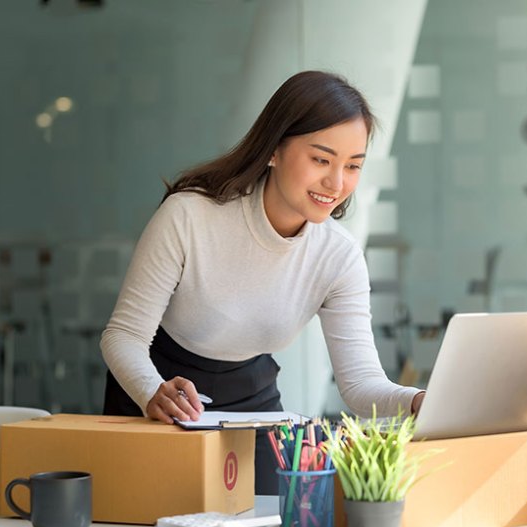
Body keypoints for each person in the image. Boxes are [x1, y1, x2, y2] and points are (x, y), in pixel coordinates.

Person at [100, 70, 426, 495]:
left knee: (272, 517)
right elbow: (122, 336)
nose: (337, 183)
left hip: (251, 402)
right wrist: (150, 391)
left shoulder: (338, 256)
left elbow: (360, 384)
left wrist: (418, 402)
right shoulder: (189, 216)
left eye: (353, 166)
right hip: (158, 392)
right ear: (274, 149)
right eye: (321, 160)